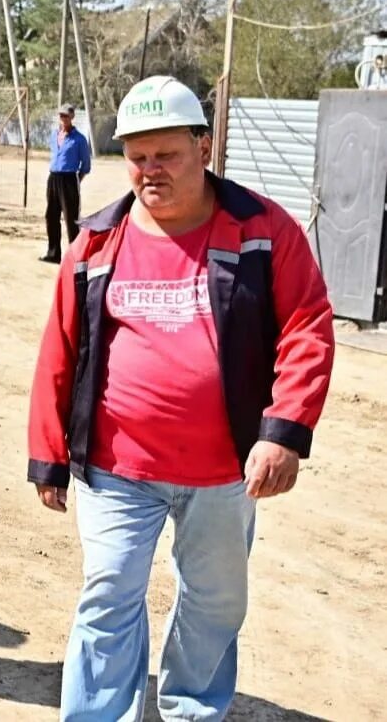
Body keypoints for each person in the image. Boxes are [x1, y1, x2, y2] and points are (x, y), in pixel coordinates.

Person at [27, 75, 335, 720]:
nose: (149, 171)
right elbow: (60, 348)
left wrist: (282, 432)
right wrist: (49, 453)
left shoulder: (262, 230)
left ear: (204, 145)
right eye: (137, 158)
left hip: (225, 471)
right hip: (117, 468)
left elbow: (307, 326)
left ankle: (192, 709)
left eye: (166, 154)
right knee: (108, 593)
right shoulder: (97, 240)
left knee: (214, 602)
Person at [40, 103, 91, 264]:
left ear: (72, 117)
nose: (63, 119)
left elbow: (86, 165)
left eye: (66, 116)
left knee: (71, 218)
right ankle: (53, 253)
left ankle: (76, 257)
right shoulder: (54, 135)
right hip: (53, 178)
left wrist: (77, 180)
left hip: (69, 179)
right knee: (51, 216)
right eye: (61, 115)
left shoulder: (79, 139)